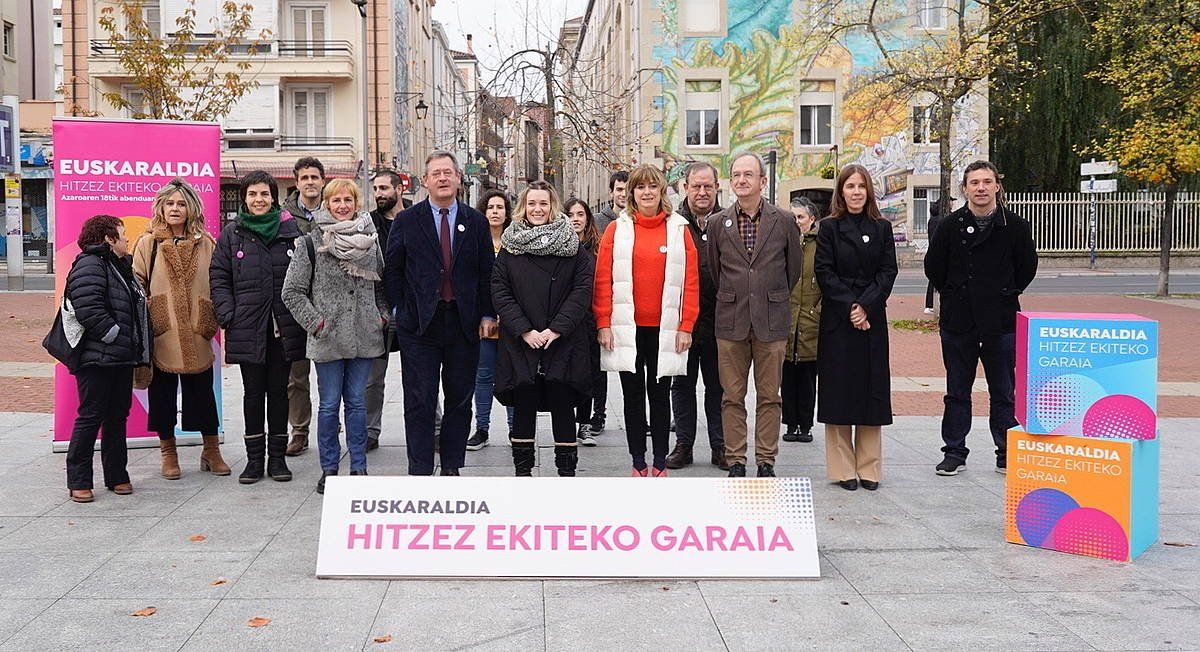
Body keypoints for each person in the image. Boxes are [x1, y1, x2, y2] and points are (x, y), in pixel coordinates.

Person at [385, 151, 497, 476]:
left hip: (463, 323)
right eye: (437, 173)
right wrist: (399, 309)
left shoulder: (475, 221)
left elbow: (486, 271)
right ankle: (419, 467)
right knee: (419, 400)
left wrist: (487, 314)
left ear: (459, 178)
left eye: (449, 172)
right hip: (420, 325)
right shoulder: (408, 220)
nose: (443, 178)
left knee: (460, 399)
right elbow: (393, 269)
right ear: (426, 181)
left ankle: (451, 465)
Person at [924, 160, 1038, 476]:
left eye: (987, 182)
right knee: (957, 390)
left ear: (997, 186)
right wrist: (954, 291)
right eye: (974, 183)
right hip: (959, 321)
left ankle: (1006, 450)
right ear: (965, 189)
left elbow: (1027, 265)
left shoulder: (1015, 225)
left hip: (999, 322)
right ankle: (954, 451)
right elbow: (933, 266)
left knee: (1003, 390)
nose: (981, 188)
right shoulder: (949, 225)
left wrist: (1005, 291)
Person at [282, 179, 389, 493]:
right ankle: (329, 468)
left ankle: (359, 467)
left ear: (356, 203)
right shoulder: (311, 243)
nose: (343, 205)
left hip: (364, 335)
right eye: (336, 200)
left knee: (356, 403)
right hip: (327, 337)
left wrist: (381, 315)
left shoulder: (370, 239)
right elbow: (292, 292)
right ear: (326, 204)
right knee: (329, 405)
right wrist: (316, 323)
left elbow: (380, 282)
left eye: (348, 199)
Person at [593, 164, 700, 477]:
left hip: (664, 330)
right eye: (641, 187)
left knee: (659, 395)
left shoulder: (679, 229)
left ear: (662, 191)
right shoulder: (617, 229)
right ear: (632, 193)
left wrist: (686, 326)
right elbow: (603, 280)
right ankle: (638, 463)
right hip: (628, 329)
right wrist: (603, 323)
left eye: (653, 186)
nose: (647, 192)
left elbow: (691, 284)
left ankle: (660, 463)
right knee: (633, 397)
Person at [708, 153, 803, 479]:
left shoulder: (785, 221)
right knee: (732, 396)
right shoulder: (719, 222)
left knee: (769, 397)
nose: (741, 180)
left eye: (749, 174)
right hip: (731, 321)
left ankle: (766, 461)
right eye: (736, 175)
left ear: (763, 181)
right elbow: (716, 270)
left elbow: (794, 270)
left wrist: (769, 295)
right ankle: (736, 460)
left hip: (771, 320)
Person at [210, 170, 307, 484]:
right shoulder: (232, 234)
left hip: (284, 326)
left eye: (264, 194)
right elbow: (219, 278)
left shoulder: (291, 231)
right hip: (247, 326)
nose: (259, 200)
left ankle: (277, 459)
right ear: (245, 199)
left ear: (273, 197)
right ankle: (254, 461)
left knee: (280, 393)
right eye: (252, 194)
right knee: (253, 394)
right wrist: (229, 315)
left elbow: (306, 278)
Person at [493, 182, 595, 476]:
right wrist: (525, 330)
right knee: (523, 407)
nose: (538, 210)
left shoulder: (572, 247)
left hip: (562, 341)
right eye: (532, 204)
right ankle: (523, 475)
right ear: (523, 207)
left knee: (563, 407)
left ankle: (566, 476)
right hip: (522, 341)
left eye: (544, 204)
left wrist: (556, 330)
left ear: (553, 208)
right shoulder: (510, 247)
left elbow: (581, 290)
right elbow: (500, 291)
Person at [131, 178, 229, 480]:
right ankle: (168, 452)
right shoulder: (148, 243)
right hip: (162, 331)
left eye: (181, 203)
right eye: (170, 203)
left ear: (191, 208)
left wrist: (209, 317)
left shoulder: (206, 243)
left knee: (202, 394)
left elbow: (218, 283)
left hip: (197, 329)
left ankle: (211, 450)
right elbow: (137, 286)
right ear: (161, 206)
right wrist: (153, 316)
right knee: (162, 395)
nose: (175, 208)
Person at [814, 164, 898, 491]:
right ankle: (843, 468)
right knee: (839, 393)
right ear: (841, 191)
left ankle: (870, 468)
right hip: (839, 320)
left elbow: (887, 272)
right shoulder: (829, 228)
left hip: (872, 320)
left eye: (861, 186)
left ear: (869, 191)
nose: (856, 192)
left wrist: (866, 306)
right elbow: (825, 272)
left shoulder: (882, 227)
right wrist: (851, 305)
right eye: (850, 186)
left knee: (871, 393)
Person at [63, 214, 150, 502]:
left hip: (120, 357)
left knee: (117, 417)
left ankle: (117, 476)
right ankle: (79, 480)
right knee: (91, 417)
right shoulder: (90, 264)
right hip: (97, 358)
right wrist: (113, 334)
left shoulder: (118, 265)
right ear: (108, 238)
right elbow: (88, 308)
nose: (127, 239)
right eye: (122, 234)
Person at [666, 162, 727, 470]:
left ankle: (720, 446)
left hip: (721, 322)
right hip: (683, 323)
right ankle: (684, 445)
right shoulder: (674, 225)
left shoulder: (728, 222)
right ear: (684, 188)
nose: (702, 192)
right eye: (696, 186)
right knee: (682, 386)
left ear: (717, 187)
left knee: (719, 387)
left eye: (708, 186)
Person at [282, 157, 324, 457]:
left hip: (328, 306)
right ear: (296, 182)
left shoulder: (336, 209)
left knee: (330, 373)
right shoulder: (283, 217)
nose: (310, 182)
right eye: (304, 177)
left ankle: (330, 425)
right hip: (295, 306)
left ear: (323, 180)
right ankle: (299, 430)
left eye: (314, 177)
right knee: (296, 376)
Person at [466, 189, 514, 451]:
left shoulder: (516, 242)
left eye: (500, 207)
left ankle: (514, 428)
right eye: (490, 207)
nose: (495, 212)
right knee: (483, 376)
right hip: (484, 322)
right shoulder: (474, 242)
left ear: (507, 213)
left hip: (512, 323)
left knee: (512, 376)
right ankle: (482, 428)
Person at [365, 170, 404, 452]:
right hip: (376, 311)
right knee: (372, 379)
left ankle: (434, 427)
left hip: (410, 310)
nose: (379, 193)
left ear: (399, 189)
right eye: (376, 188)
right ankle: (369, 432)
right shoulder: (366, 224)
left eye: (384, 188)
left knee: (419, 373)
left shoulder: (416, 219)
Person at [781, 196, 822, 444]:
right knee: (787, 376)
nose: (796, 222)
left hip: (810, 320)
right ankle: (790, 423)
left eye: (801, 217)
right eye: (793, 217)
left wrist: (818, 311)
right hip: (786, 320)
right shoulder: (784, 243)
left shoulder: (820, 244)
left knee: (807, 377)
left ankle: (805, 425)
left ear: (811, 219)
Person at [564, 197, 604, 447]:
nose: (575, 219)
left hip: (591, 318)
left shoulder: (597, 248)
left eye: (580, 214)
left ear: (588, 218)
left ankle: (586, 424)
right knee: (568, 373)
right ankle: (567, 422)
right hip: (567, 320)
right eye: (570, 214)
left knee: (591, 372)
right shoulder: (557, 246)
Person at [594, 170, 629, 237]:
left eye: (628, 190)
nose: (624, 194)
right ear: (611, 192)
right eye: (619, 189)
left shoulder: (639, 221)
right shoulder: (596, 221)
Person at [924, 203, 944, 314]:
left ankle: (929, 305)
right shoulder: (940, 220)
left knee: (932, 280)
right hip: (937, 252)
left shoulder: (931, 220)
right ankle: (931, 305)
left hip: (931, 251)